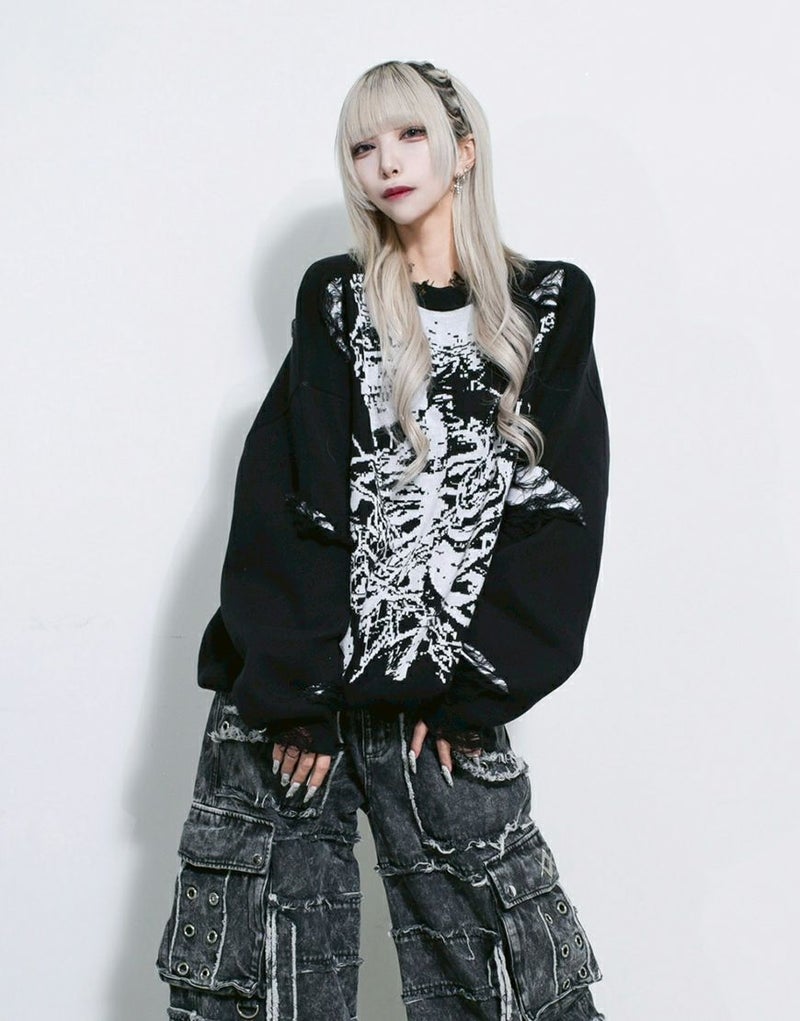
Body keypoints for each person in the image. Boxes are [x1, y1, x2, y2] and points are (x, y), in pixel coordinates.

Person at [155, 59, 610, 1021]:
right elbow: (287, 491)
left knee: (509, 989)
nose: (386, 162)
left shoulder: (548, 305)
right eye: (363, 146)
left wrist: (481, 691)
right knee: (264, 989)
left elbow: (562, 513)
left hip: (440, 706)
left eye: (409, 136)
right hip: (297, 701)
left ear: (463, 150)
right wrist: (296, 694)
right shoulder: (336, 297)